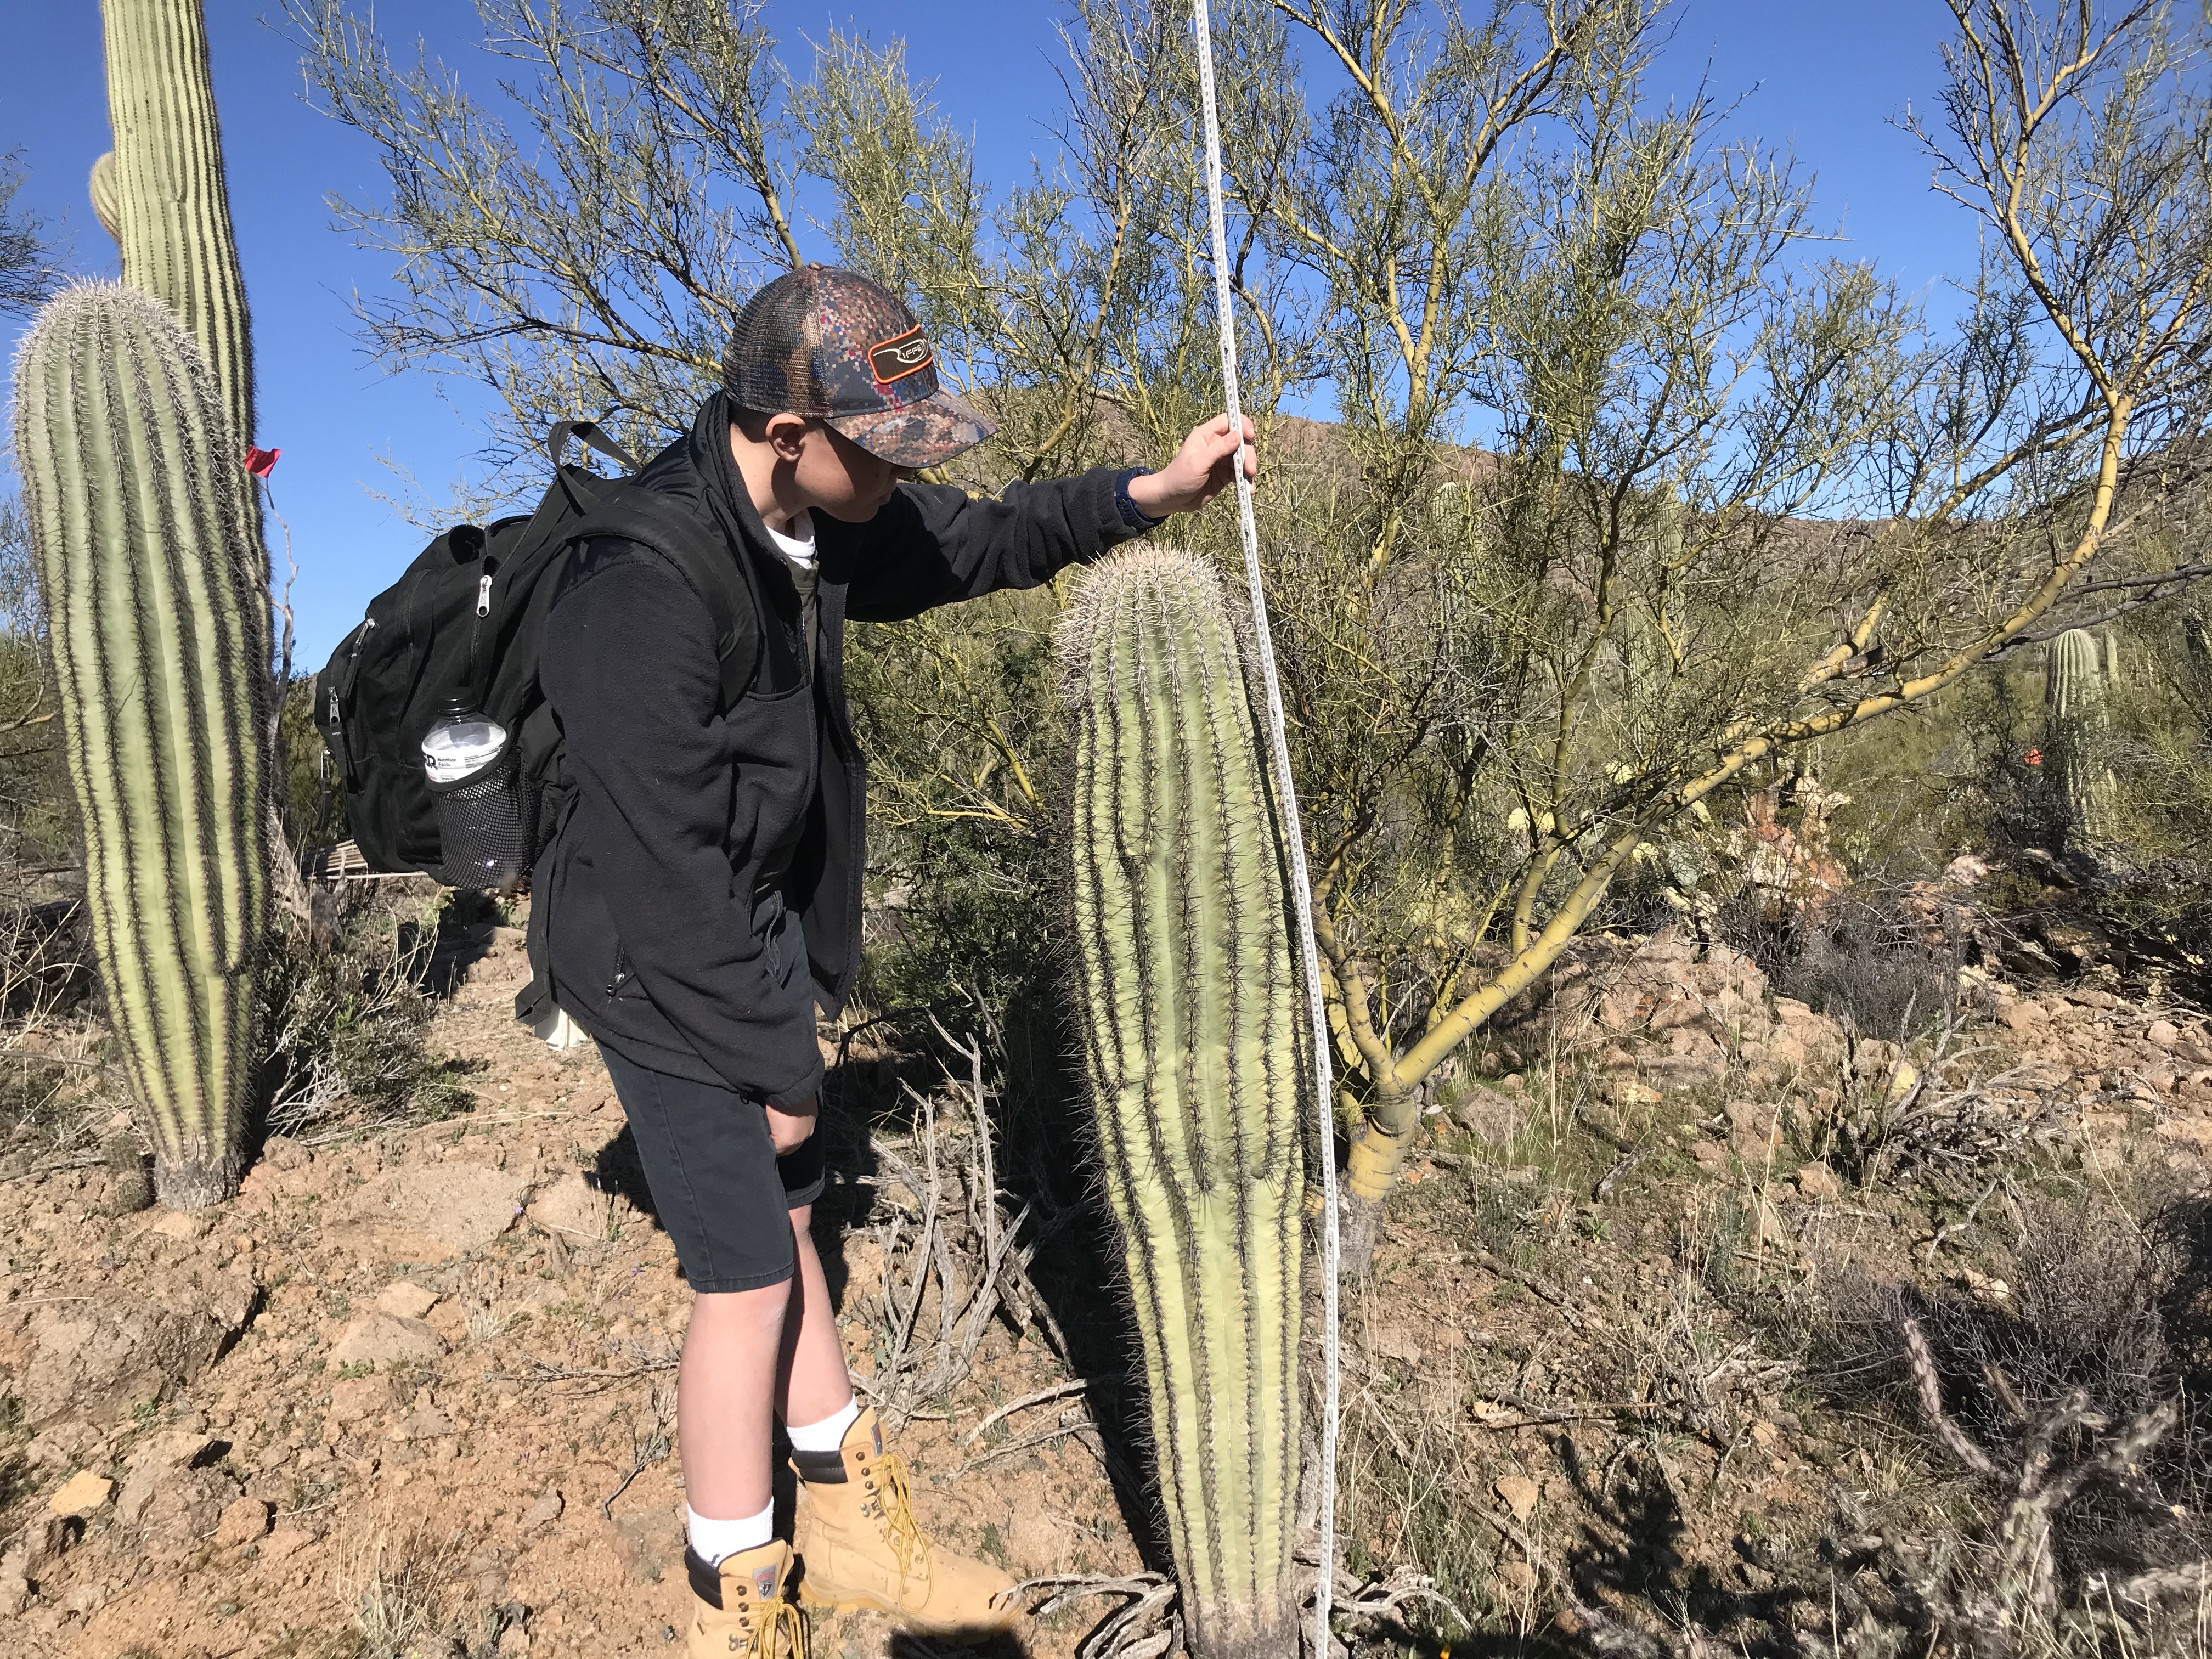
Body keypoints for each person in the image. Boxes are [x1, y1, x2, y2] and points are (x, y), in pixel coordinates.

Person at [533, 263, 1255, 1657]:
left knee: (794, 1215)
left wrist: (1146, 497)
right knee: (743, 1275)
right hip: (644, 953)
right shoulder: (638, 583)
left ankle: (849, 1523)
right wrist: (773, 1061)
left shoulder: (813, 513)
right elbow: (662, 865)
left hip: (735, 927)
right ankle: (733, 1598)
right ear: (788, 431)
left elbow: (975, 542)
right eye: (888, 442)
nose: (905, 467)